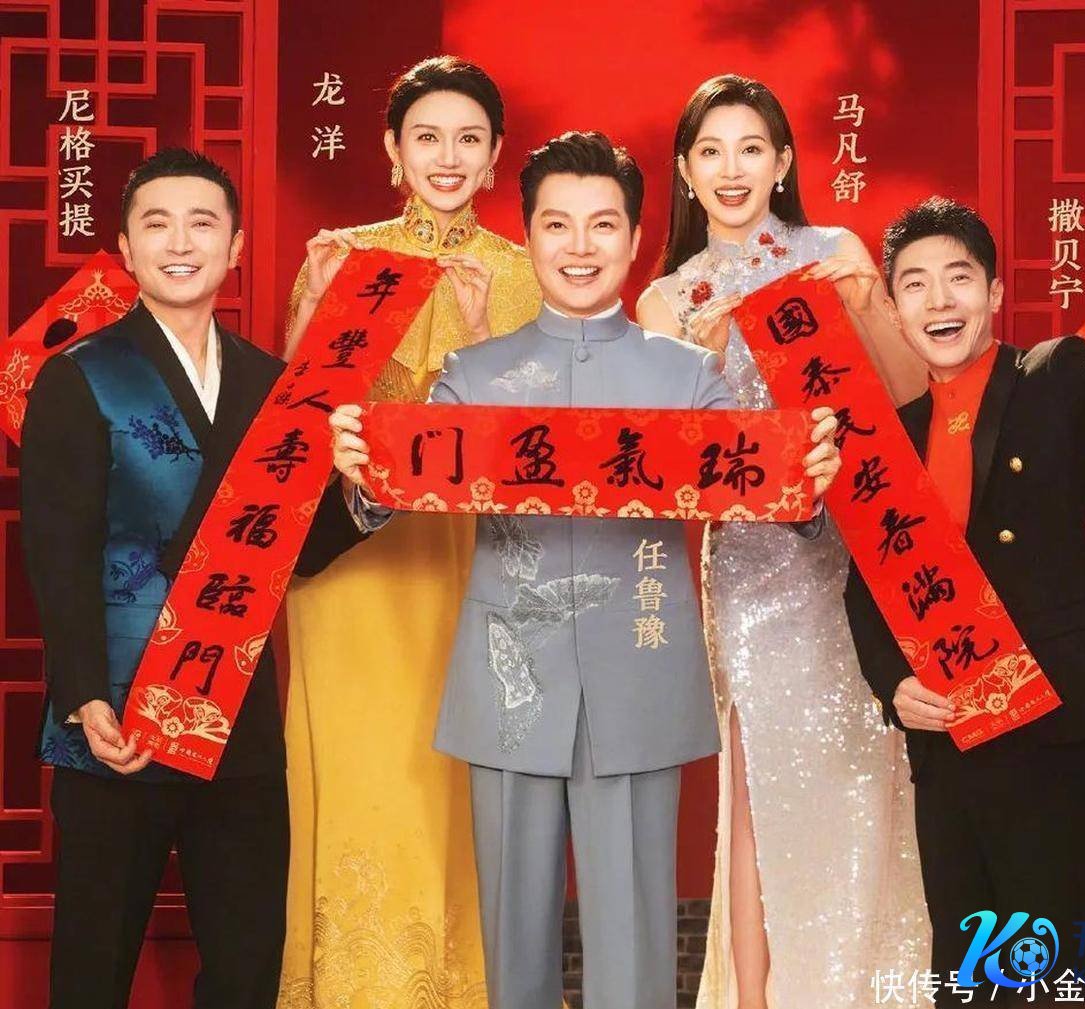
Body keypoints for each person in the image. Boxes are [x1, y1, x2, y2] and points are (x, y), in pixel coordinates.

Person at [327, 131, 841, 1009]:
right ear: (527, 235)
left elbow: (759, 495)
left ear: (635, 238)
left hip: (640, 679)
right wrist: (363, 475)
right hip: (509, 687)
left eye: (602, 224)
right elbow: (396, 495)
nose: (579, 246)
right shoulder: (472, 374)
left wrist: (807, 484)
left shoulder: (689, 376)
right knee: (514, 958)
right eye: (557, 224)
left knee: (633, 963)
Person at [844, 158, 1085, 1003]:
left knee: (1045, 955)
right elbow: (865, 585)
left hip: (1046, 715)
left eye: (958, 277)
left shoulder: (1052, 377)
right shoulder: (890, 440)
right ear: (897, 310)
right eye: (915, 284)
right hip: (946, 731)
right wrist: (893, 685)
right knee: (965, 955)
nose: (940, 299)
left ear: (993, 293)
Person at [21, 148, 359, 1009]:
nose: (180, 243)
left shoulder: (274, 386)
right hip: (115, 719)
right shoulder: (81, 374)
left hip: (233, 709)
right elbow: (58, 547)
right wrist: (83, 694)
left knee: (247, 969)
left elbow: (294, 547)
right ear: (126, 249)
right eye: (157, 224)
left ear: (235, 246)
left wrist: (366, 492)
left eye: (202, 223)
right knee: (93, 969)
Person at [636, 74, 930, 1007]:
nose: (733, 170)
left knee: (870, 764)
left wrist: (869, 305)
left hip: (861, 552)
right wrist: (704, 354)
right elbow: (669, 466)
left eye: (752, 148)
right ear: (685, 170)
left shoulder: (832, 252)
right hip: (754, 573)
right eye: (711, 151)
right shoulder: (665, 300)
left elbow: (913, 399)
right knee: (764, 782)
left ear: (784, 161)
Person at [277, 57, 541, 1009]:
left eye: (469, 139)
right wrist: (313, 316)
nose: (448, 157)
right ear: (392, 148)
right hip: (353, 577)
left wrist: (478, 344)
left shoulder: (525, 272)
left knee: (457, 784)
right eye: (427, 137)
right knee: (365, 779)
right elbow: (292, 433)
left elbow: (536, 448)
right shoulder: (341, 256)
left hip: (475, 567)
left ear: (496, 154)